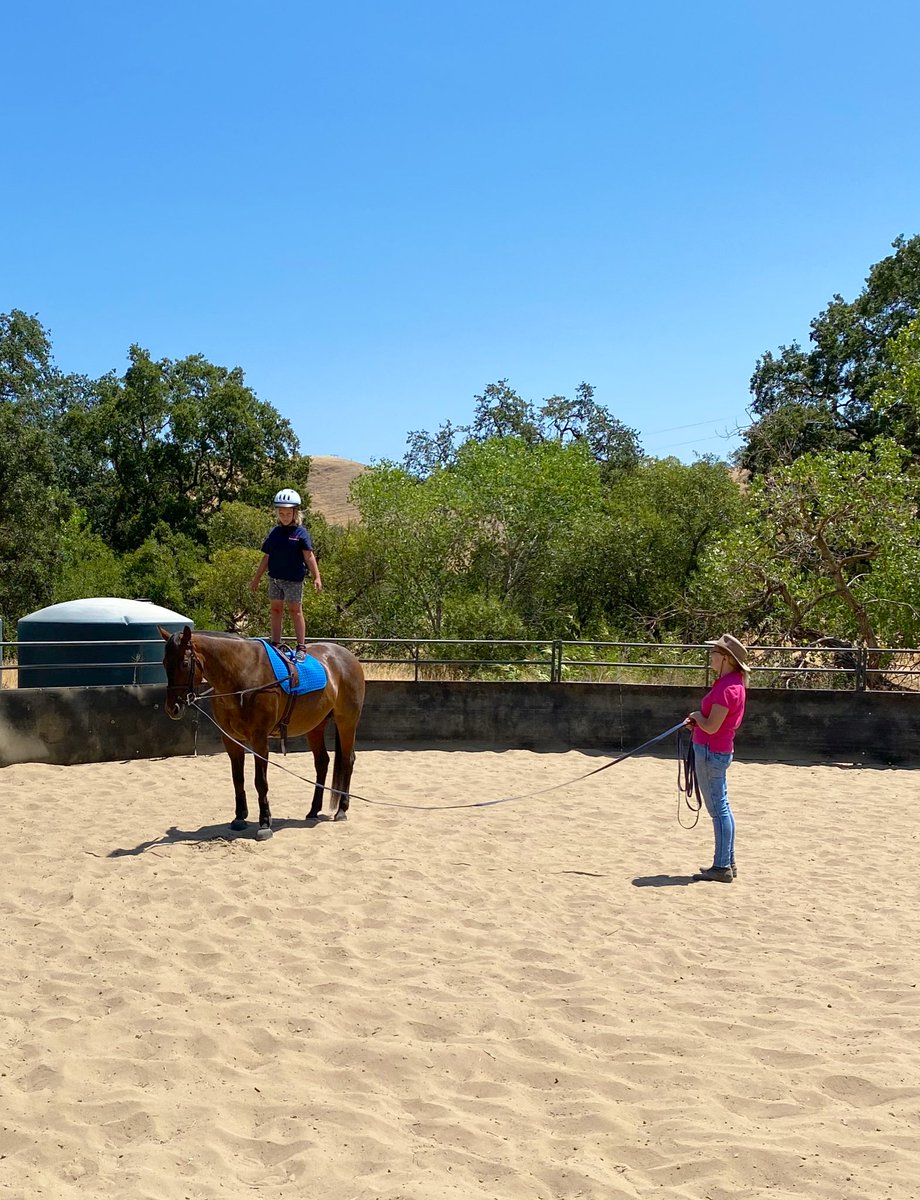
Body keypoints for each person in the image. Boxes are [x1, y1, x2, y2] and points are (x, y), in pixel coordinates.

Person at [685, 633, 749, 884]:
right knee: (721, 806)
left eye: (714, 653)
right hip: (715, 748)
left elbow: (711, 726)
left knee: (718, 808)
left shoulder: (727, 688)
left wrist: (696, 718)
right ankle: (727, 861)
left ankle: (722, 865)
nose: (710, 657)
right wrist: (698, 723)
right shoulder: (731, 684)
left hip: (711, 749)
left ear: (725, 658)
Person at [249, 488, 322, 663]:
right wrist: (257, 578)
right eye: (281, 513)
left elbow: (309, 556)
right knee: (275, 610)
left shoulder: (300, 533)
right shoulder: (274, 533)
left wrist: (317, 577)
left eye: (288, 513)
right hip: (275, 579)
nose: (284, 516)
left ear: (295, 513)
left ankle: (301, 647)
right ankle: (275, 644)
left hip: (294, 581)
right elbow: (266, 557)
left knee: (295, 611)